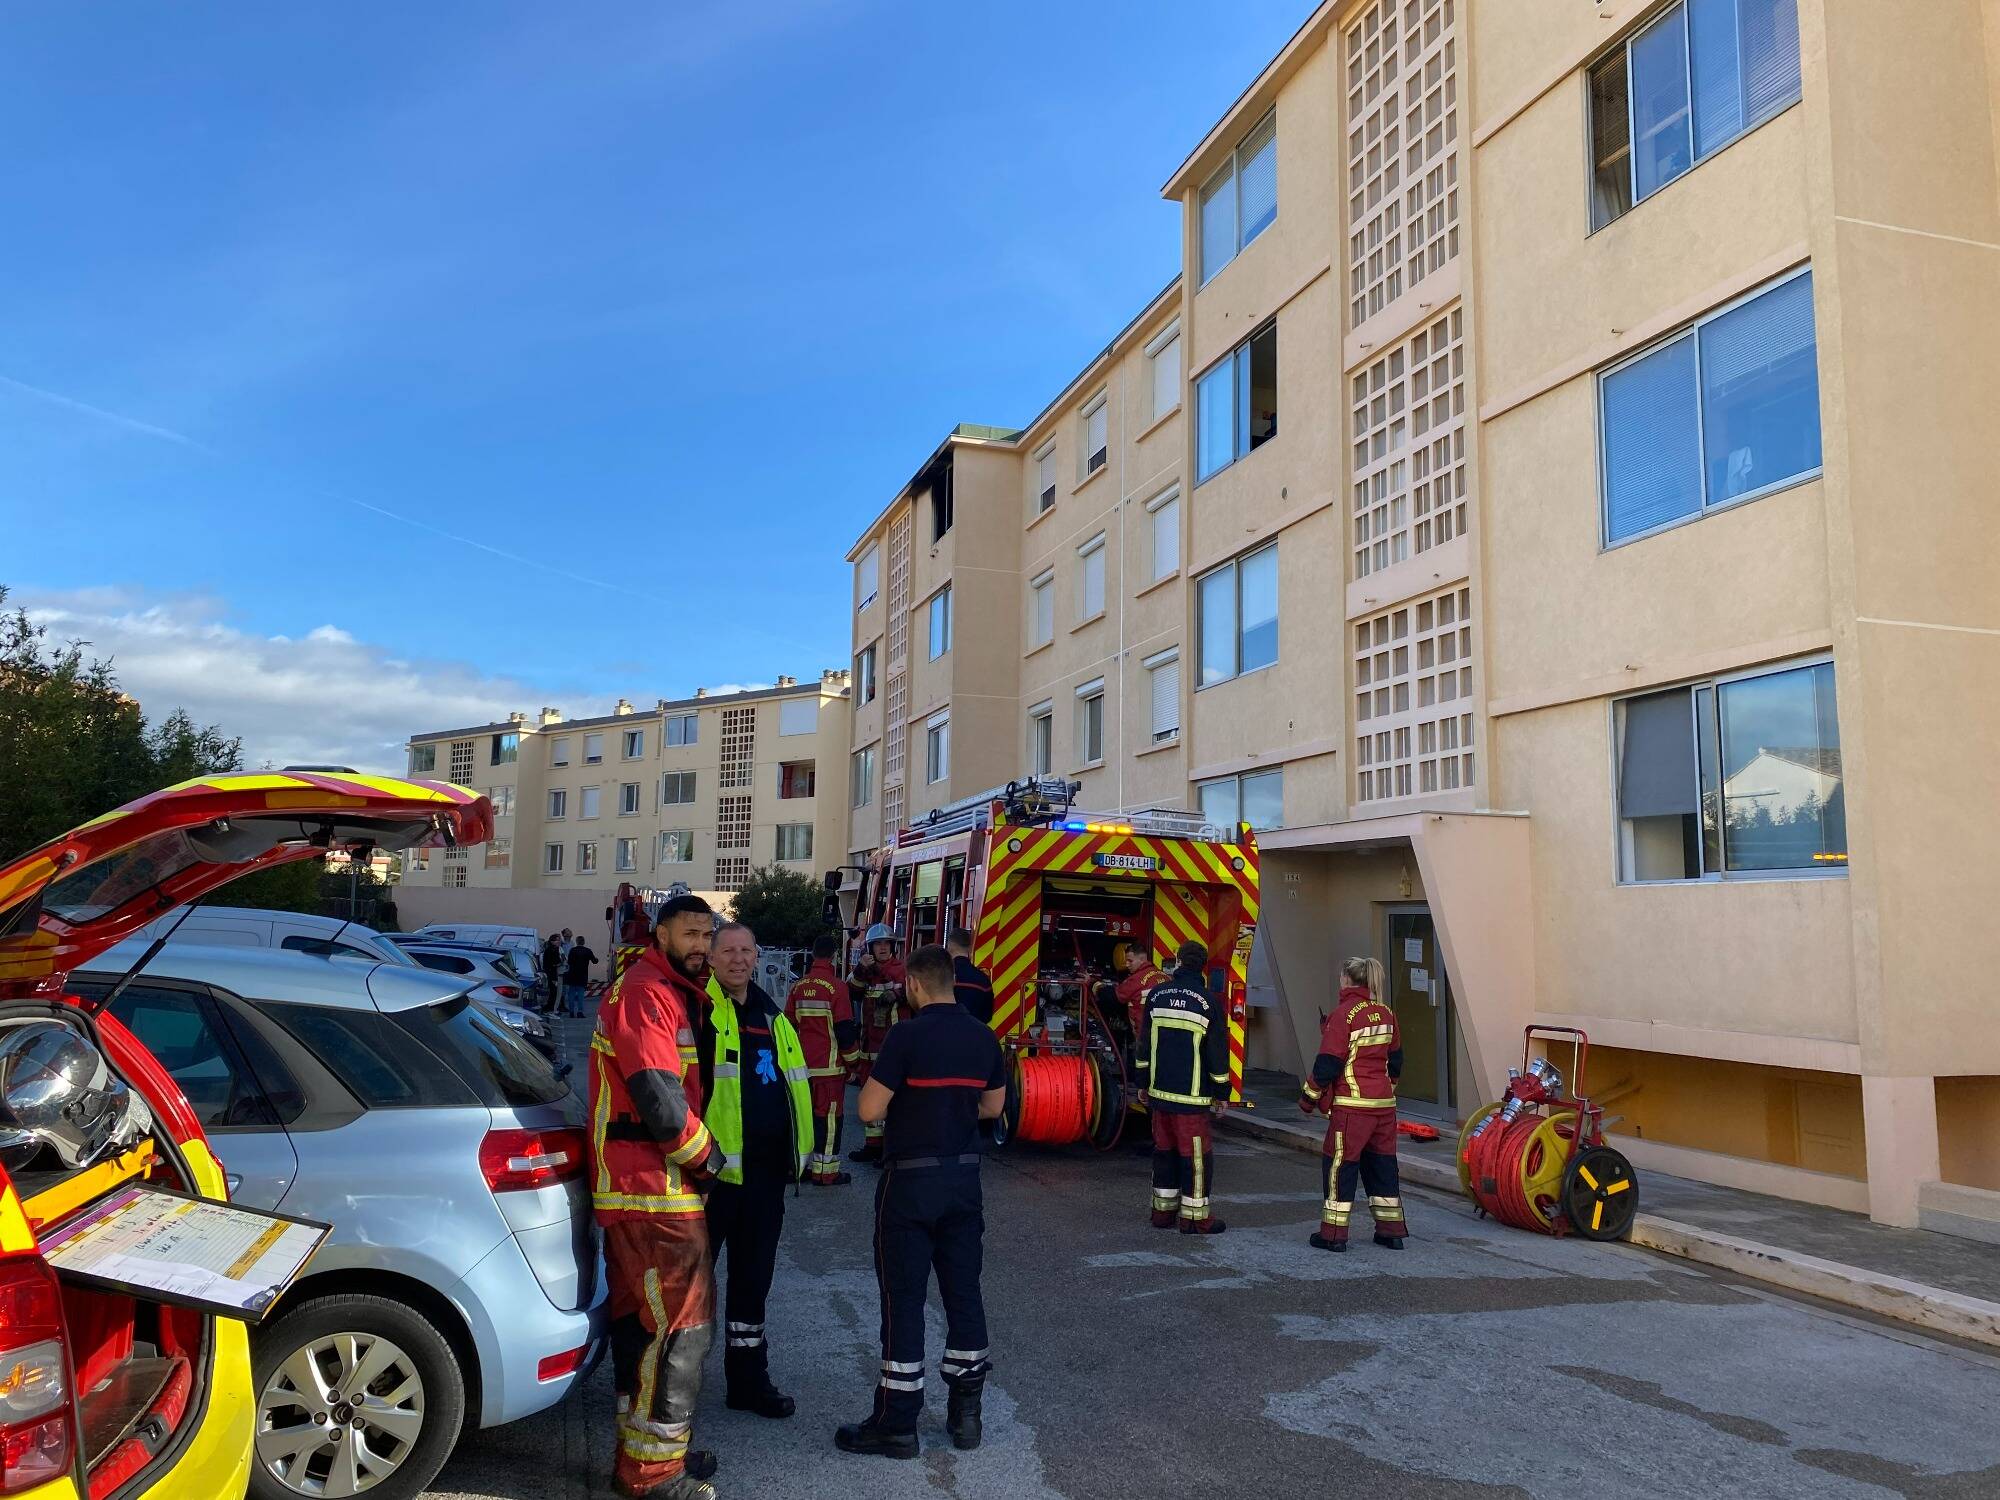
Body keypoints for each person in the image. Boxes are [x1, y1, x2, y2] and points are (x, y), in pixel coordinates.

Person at [835, 944, 1005, 1461]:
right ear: (953, 980)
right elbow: (992, 1108)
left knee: (904, 1301)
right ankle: (966, 1415)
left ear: (912, 984)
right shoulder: (983, 1037)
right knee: (963, 1295)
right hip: (963, 1182)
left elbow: (866, 1110)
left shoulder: (905, 1036)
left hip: (909, 1185)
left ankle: (897, 1423)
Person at [587, 894, 724, 1499]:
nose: (700, 946)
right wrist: (708, 1162)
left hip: (643, 1187)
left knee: (645, 1327)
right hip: (653, 1189)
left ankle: (643, 1456)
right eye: (690, 934)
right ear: (661, 934)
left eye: (706, 936)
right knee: (681, 1328)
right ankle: (653, 1477)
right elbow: (659, 1099)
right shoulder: (648, 992)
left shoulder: (658, 988)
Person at [700, 923, 814, 1419]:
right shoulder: (696, 1010)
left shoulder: (773, 1016)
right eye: (728, 950)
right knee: (688, 1290)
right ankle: (669, 1394)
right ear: (710, 956)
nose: (738, 959)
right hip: (708, 1180)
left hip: (765, 1179)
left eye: (747, 950)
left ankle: (747, 1382)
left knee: (752, 1285)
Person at [1300, 956, 1407, 1252]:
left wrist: (1308, 1098)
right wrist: (1385, 1089)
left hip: (1351, 1108)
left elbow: (1328, 1063)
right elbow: (1396, 1061)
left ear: (1347, 980)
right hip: (1384, 1106)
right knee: (1383, 1166)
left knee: (1340, 1166)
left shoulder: (1343, 1015)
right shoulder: (1386, 1013)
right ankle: (1391, 1231)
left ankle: (1333, 1235)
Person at [1134, 941, 1230, 1234]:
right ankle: (1195, 1219)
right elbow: (1216, 1053)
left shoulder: (1157, 995)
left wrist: (1142, 1083)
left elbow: (1144, 1043)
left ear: (1177, 961)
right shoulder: (1207, 1001)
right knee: (1196, 1159)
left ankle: (1162, 1214)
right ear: (1202, 966)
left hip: (1159, 1094)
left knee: (1164, 1153)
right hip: (1192, 1099)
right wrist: (1221, 1094)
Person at [785, 934, 861, 1186]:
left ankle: (800, 1168)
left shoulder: (798, 987)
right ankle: (826, 1172)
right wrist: (854, 1065)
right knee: (828, 1121)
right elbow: (844, 1032)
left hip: (801, 1070)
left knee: (802, 1119)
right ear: (834, 956)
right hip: (829, 1070)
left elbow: (787, 1027)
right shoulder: (837, 987)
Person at [847, 924, 907, 1166]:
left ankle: (891, 1150)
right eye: (878, 944)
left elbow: (913, 994)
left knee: (893, 1099)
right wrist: (863, 969)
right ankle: (873, 1146)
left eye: (886, 943)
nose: (882, 947)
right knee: (870, 1096)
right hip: (870, 1043)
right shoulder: (864, 970)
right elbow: (852, 991)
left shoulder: (901, 969)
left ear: (892, 946)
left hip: (894, 1045)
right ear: (870, 947)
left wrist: (896, 994)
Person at [945, 926, 993, 1025]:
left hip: (944, 1035)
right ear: (969, 947)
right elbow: (987, 1016)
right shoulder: (983, 981)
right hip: (973, 1036)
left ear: (949, 946)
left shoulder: (940, 977)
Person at [565, 934, 600, 1018]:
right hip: (583, 975)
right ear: (583, 942)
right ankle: (580, 1011)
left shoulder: (572, 950)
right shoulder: (588, 951)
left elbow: (569, 962)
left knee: (571, 994)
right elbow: (594, 961)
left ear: (577, 942)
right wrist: (597, 959)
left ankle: (571, 1012)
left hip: (572, 975)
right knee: (581, 994)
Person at [541, 931, 563, 1011]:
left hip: (553, 973)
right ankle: (549, 1009)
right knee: (553, 992)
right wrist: (560, 963)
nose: (559, 941)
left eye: (559, 940)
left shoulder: (555, 950)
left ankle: (551, 1008)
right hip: (551, 974)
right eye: (557, 940)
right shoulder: (551, 950)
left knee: (554, 993)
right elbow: (554, 963)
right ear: (552, 941)